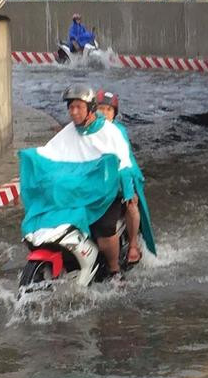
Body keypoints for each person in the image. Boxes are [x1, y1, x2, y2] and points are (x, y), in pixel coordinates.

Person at [35, 84, 154, 275]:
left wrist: (127, 187)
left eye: (78, 107)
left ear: (90, 109)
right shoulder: (70, 131)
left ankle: (115, 269)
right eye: (71, 107)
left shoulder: (111, 131)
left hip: (108, 188)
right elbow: (49, 153)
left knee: (105, 228)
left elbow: (123, 160)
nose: (73, 112)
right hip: (82, 187)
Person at [97, 88, 144, 266]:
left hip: (120, 178)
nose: (104, 113)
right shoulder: (87, 130)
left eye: (108, 110)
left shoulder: (118, 131)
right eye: (100, 108)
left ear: (114, 114)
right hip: (95, 182)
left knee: (131, 202)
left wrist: (126, 186)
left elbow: (124, 160)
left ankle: (132, 245)